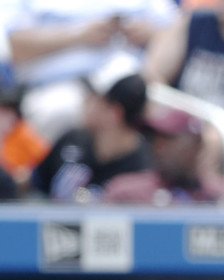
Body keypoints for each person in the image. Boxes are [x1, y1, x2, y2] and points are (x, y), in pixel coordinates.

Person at [5, 0, 177, 142]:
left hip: (131, 79)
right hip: (61, 85)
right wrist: (79, 35)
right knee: (57, 111)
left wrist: (151, 33)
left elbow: (178, 31)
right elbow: (16, 46)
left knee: (165, 112)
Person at [30, 55, 152, 201]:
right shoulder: (73, 139)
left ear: (114, 112)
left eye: (94, 97)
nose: (85, 101)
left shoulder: (143, 168)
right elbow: (33, 185)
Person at [102, 105, 224, 204]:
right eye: (155, 140)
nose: (159, 148)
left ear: (196, 145)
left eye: (169, 140)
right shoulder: (126, 193)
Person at [0, 83, 49, 194]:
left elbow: (44, 165)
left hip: (19, 194)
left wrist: (24, 174)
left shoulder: (23, 132)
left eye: (10, 111)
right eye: (4, 110)